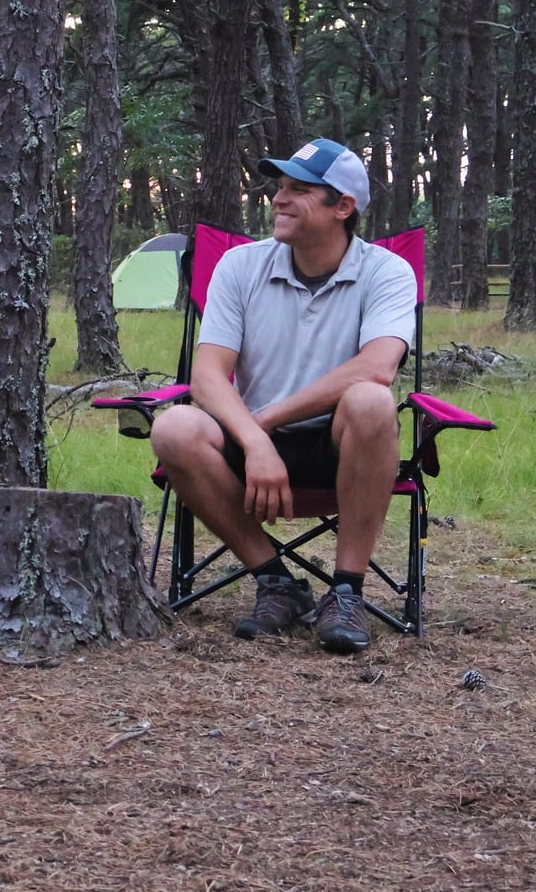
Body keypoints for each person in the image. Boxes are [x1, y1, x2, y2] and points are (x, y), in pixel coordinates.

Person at [148, 138, 415, 654]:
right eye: (279, 187)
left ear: (343, 207)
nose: (279, 198)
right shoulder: (239, 266)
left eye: (299, 190)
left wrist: (262, 426)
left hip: (341, 445)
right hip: (251, 449)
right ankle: (276, 582)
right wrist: (253, 441)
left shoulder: (386, 272)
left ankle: (346, 591)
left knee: (371, 401)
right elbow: (206, 377)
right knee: (173, 427)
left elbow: (377, 367)